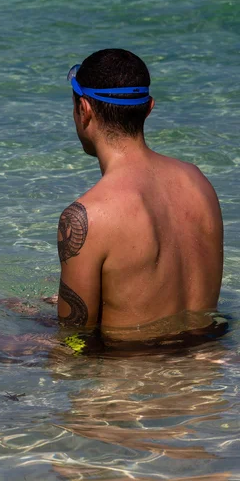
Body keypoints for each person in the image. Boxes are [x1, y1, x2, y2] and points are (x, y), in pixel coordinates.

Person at [58, 49, 224, 344]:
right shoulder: (198, 182)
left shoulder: (88, 215)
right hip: (206, 372)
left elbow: (74, 341)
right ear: (148, 108)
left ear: (84, 109)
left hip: (130, 380)